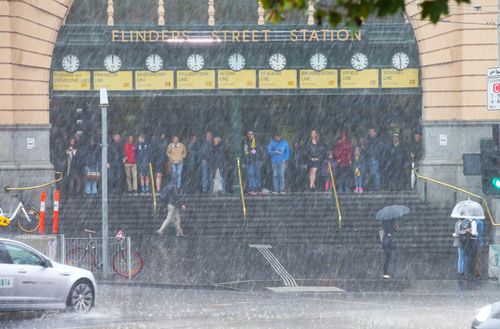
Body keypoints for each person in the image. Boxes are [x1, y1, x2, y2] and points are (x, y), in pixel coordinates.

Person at [156, 173, 186, 237]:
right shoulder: (174, 186)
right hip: (173, 205)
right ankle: (161, 230)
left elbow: (164, 196)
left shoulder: (167, 186)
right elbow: (176, 197)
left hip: (170, 204)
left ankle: (179, 231)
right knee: (169, 219)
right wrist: (181, 205)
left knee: (177, 218)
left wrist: (164, 205)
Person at [242, 131, 264, 195]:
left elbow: (258, 150)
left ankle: (258, 188)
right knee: (250, 174)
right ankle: (252, 188)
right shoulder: (245, 142)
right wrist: (244, 162)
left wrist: (252, 151)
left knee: (257, 174)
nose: (250, 135)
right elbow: (245, 153)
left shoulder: (257, 141)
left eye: (251, 134)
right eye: (249, 134)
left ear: (253, 135)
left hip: (257, 160)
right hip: (249, 161)